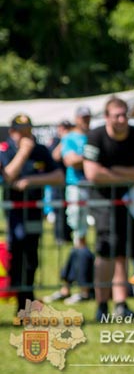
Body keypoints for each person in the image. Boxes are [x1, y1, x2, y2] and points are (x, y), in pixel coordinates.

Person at [83, 96, 134, 320]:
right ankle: (102, 306)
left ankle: (121, 305)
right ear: (107, 117)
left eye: (125, 114)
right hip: (103, 201)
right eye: (117, 115)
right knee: (107, 249)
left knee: (123, 251)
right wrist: (132, 173)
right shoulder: (95, 136)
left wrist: (112, 171)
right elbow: (93, 174)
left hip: (132, 201)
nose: (122, 119)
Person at [0, 114, 65, 313]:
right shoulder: (6, 150)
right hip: (15, 214)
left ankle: (26, 305)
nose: (26, 136)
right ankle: (19, 300)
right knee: (16, 255)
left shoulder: (41, 150)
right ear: (12, 133)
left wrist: (31, 181)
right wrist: (23, 151)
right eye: (21, 132)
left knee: (32, 257)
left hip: (34, 212)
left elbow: (59, 176)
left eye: (28, 131)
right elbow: (9, 175)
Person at [44, 106, 95, 304]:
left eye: (88, 117)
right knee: (79, 239)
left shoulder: (92, 135)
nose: (86, 120)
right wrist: (91, 159)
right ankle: (77, 286)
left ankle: (72, 284)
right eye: (83, 117)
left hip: (93, 188)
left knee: (85, 241)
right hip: (76, 188)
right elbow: (70, 160)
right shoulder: (70, 137)